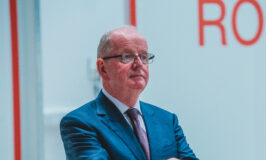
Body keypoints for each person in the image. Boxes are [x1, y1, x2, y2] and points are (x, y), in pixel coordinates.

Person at [60, 26, 198, 160]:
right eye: (127, 56)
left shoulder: (167, 120)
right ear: (103, 68)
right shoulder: (79, 123)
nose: (139, 64)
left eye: (144, 57)